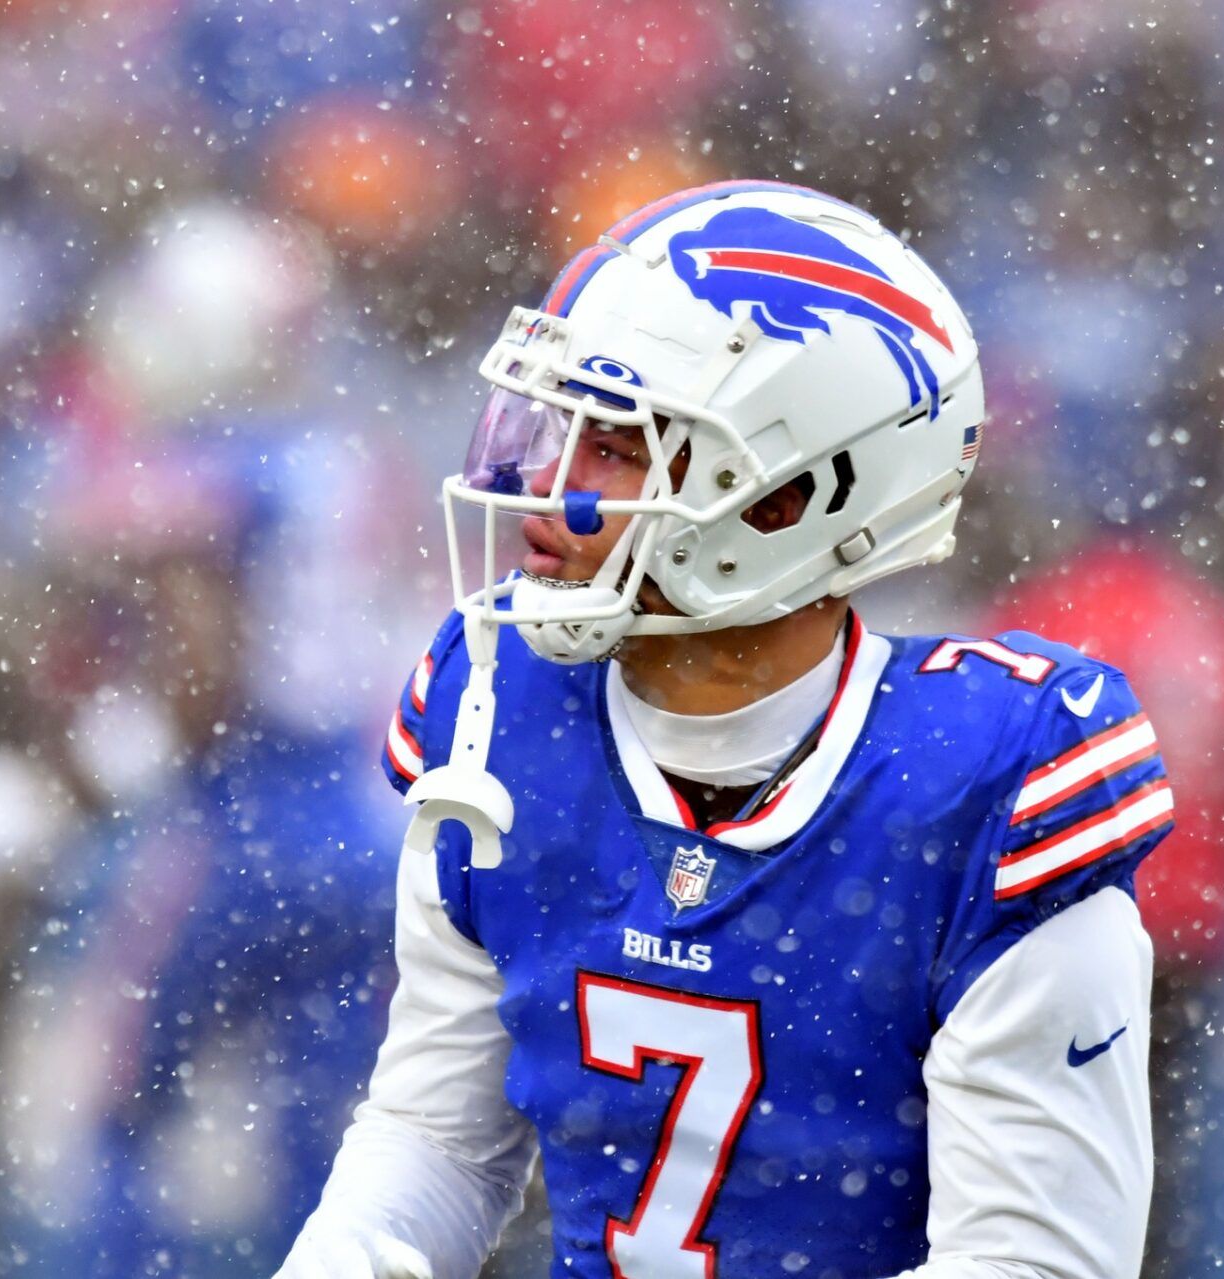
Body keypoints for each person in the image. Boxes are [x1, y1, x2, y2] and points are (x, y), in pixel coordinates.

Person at [277, 181, 1175, 1279]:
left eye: (613, 445)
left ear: (788, 497)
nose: (545, 486)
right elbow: (439, 1142)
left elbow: (1033, 1263)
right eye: (558, 429)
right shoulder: (498, 709)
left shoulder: (991, 782)